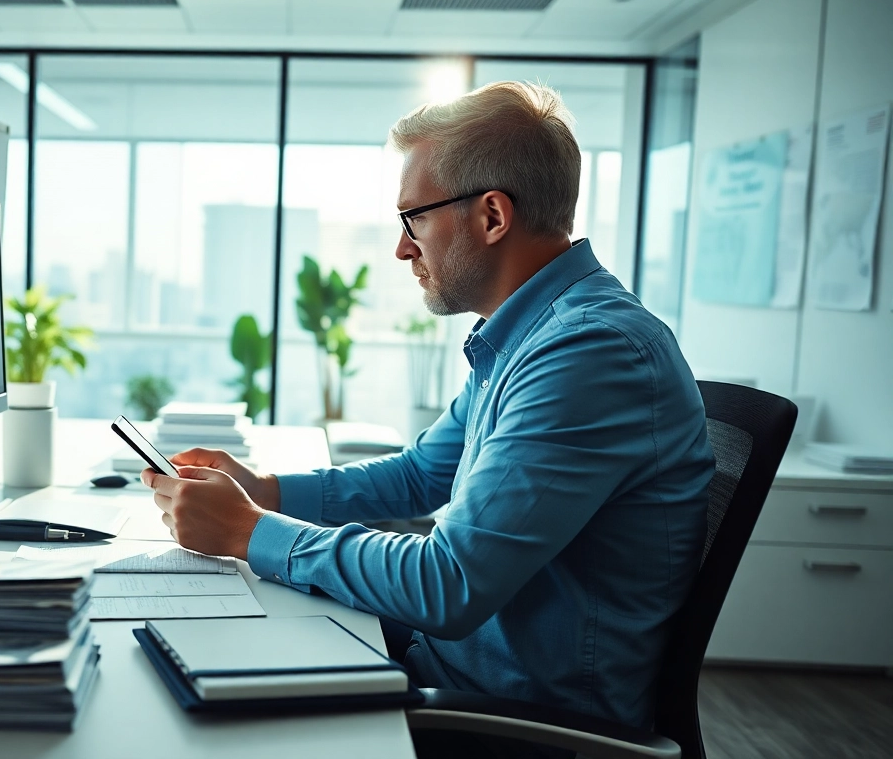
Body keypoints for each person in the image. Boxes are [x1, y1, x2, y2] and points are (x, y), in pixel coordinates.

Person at [143, 81, 716, 748]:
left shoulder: (590, 353)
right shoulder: (529, 336)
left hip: (511, 724)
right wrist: (265, 493)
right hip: (447, 674)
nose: (401, 248)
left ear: (492, 216)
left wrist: (252, 533)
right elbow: (420, 476)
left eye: (413, 218)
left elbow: (450, 583)